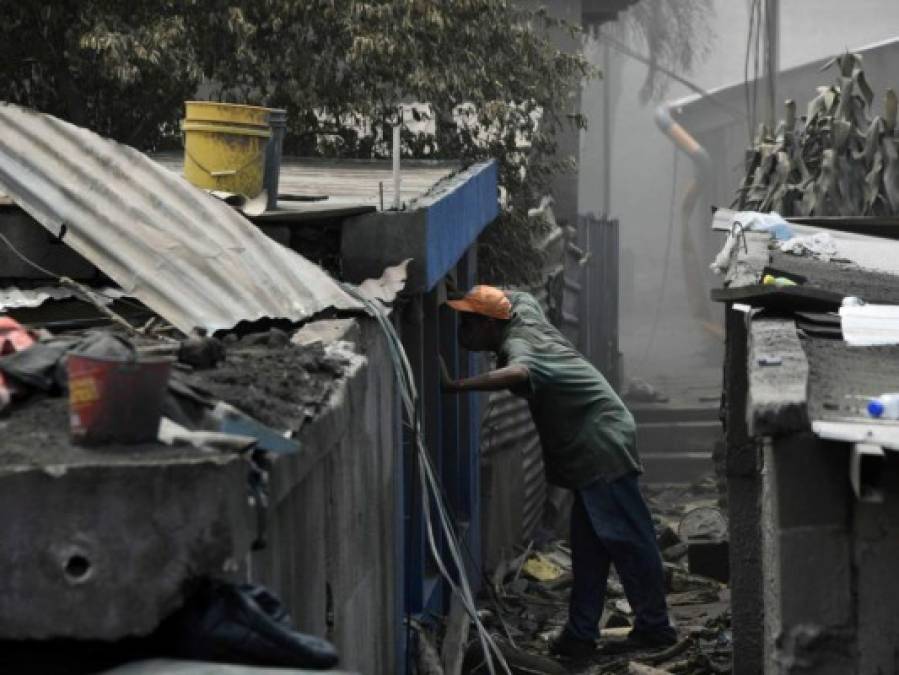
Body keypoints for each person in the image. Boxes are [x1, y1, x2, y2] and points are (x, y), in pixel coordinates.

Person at [440, 285, 676, 659]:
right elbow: (516, 294)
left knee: (630, 540)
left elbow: (519, 372)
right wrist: (461, 288)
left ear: (489, 324)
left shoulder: (521, 345)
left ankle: (655, 627)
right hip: (596, 437)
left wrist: (458, 386)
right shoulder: (522, 310)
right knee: (589, 550)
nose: (461, 329)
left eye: (468, 321)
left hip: (600, 441)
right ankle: (580, 634)